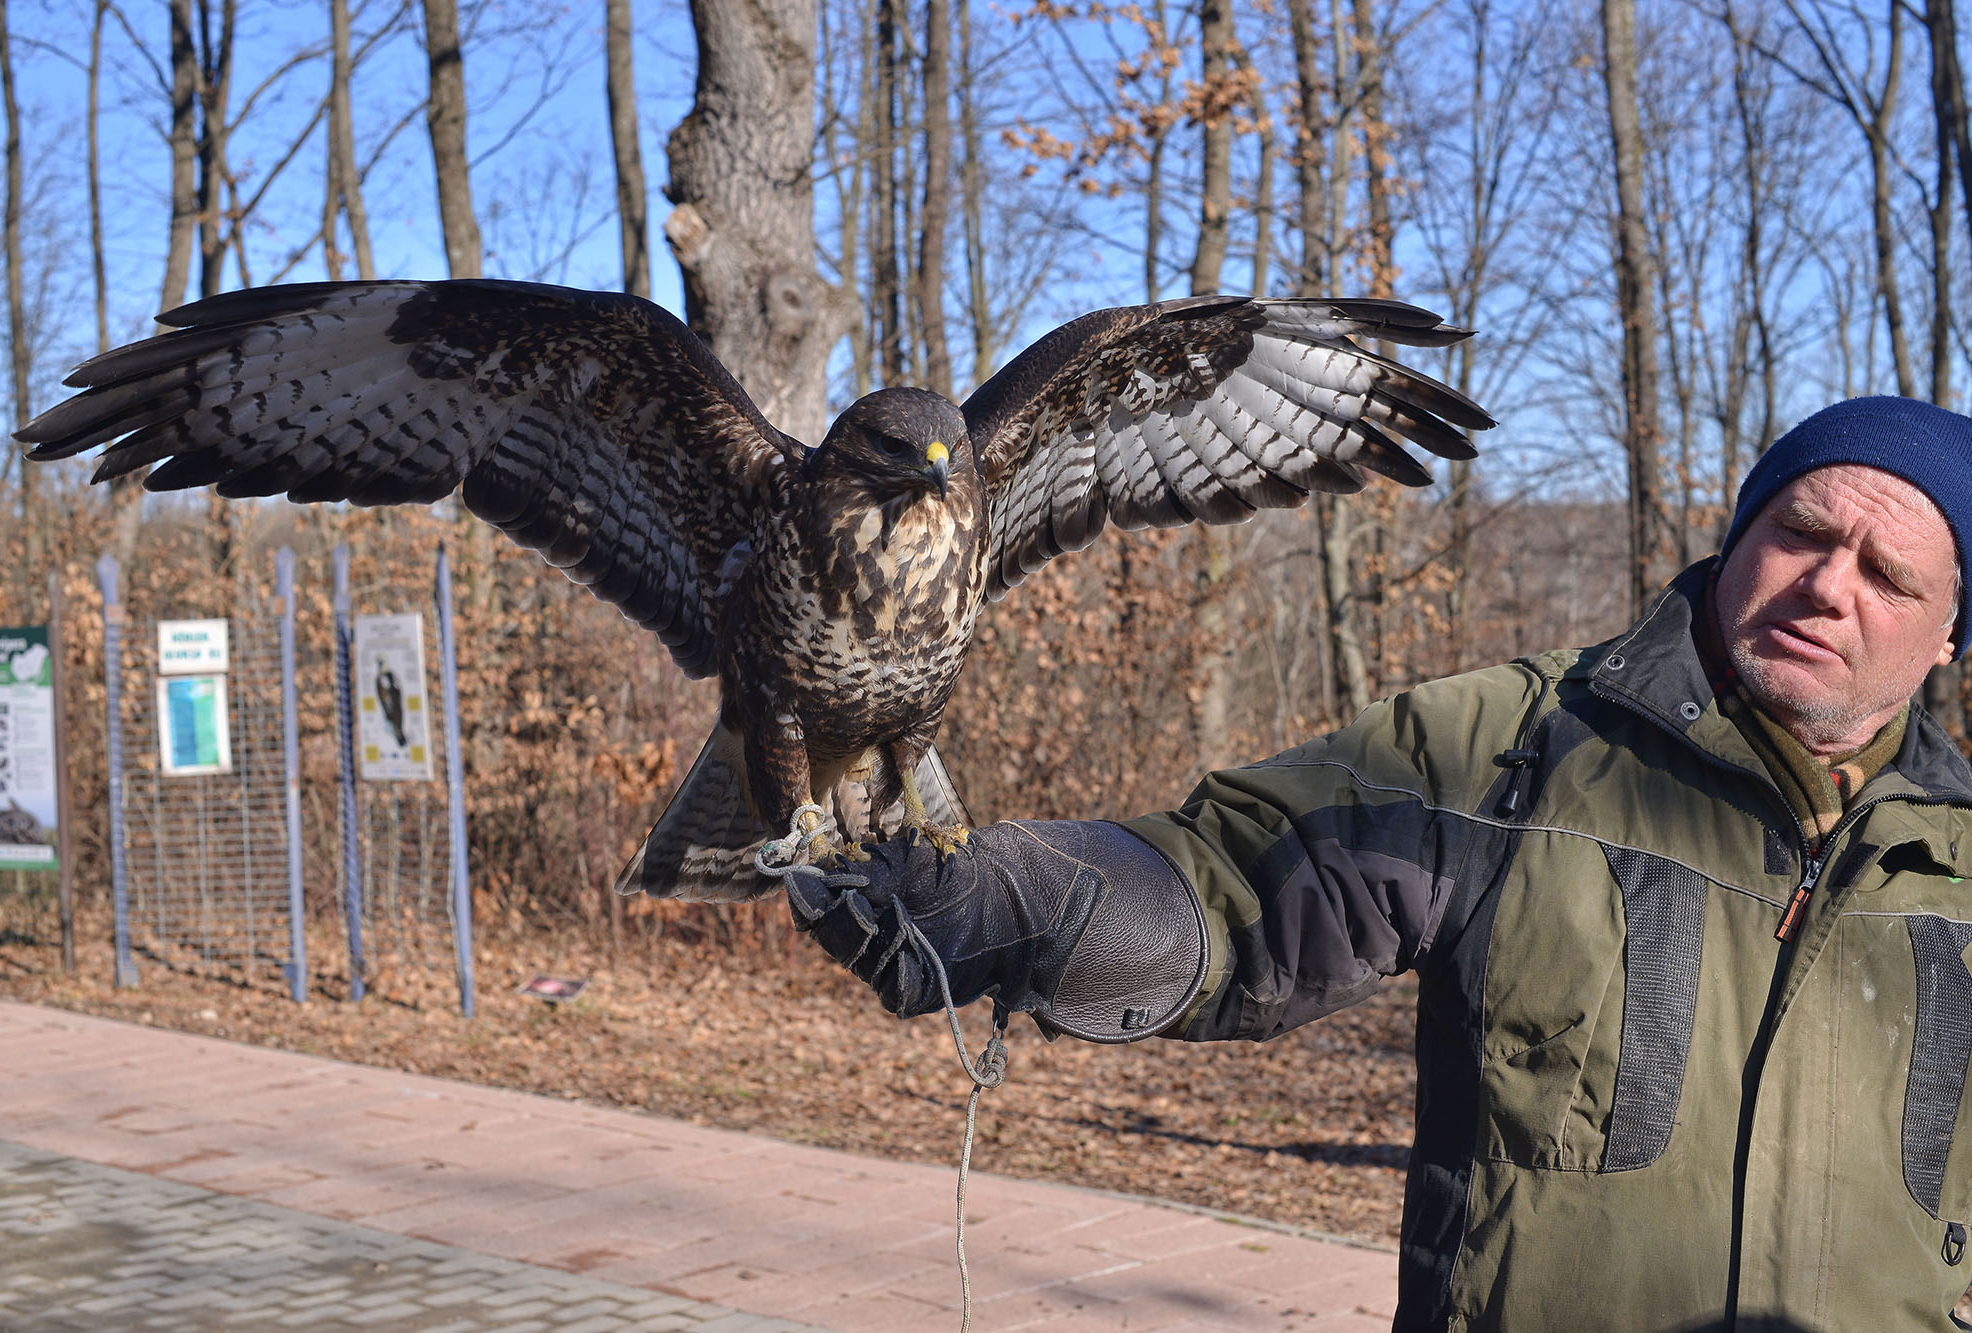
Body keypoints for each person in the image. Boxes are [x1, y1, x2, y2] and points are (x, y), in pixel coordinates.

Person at [784, 395, 1972, 1332]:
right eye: (1799, 532)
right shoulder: (1510, 749)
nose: (1826, 587)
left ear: (1946, 635)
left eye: (1886, 576)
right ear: (1738, 535)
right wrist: (1020, 899)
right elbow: (1231, 888)